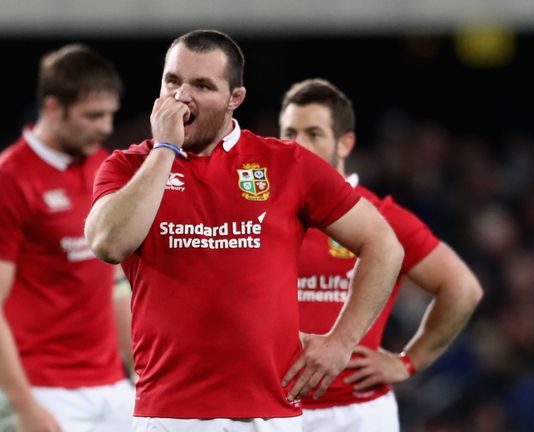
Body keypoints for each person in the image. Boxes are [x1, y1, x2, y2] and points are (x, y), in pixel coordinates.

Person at [84, 30, 404, 432]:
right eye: (173, 81)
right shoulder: (128, 167)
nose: (182, 96)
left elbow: (384, 245)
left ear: (235, 98)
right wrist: (165, 150)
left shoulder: (286, 163)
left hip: (269, 414)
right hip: (167, 415)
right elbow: (108, 243)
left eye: (202, 86)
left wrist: (342, 341)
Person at [279, 78, 484, 431]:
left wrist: (408, 362)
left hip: (357, 414)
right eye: (289, 133)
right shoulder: (259, 217)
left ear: (345, 143)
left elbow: (463, 289)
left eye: (313, 134)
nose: (297, 145)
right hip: (272, 408)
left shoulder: (381, 218)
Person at [0, 44, 134, 432]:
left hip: (109, 389)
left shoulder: (102, 168)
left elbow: (114, 283)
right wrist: (24, 407)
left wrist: (138, 369)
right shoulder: (6, 182)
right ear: (54, 108)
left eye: (110, 114)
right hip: (38, 390)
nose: (106, 127)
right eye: (93, 116)